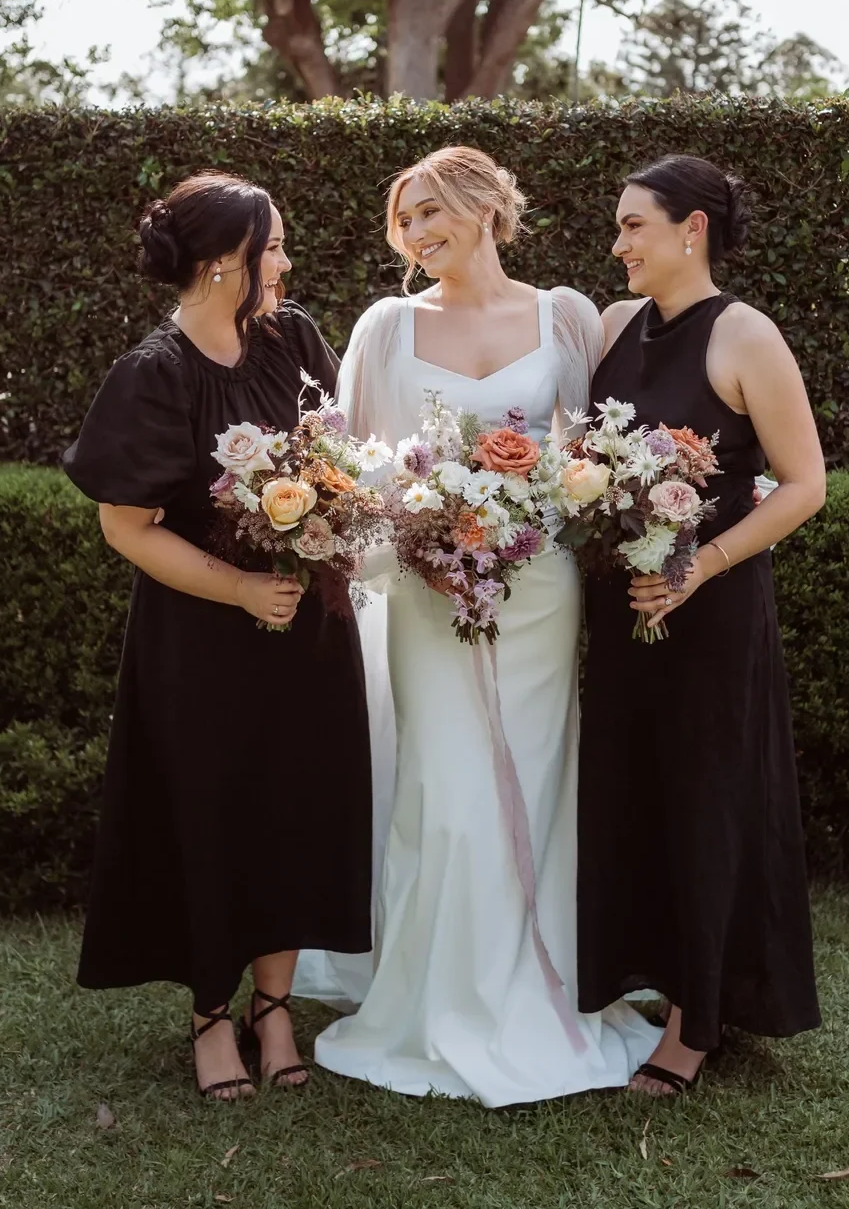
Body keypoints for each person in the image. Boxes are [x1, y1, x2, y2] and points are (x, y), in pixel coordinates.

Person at [311, 145, 662, 1107]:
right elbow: (357, 462)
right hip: (429, 586)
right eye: (405, 222)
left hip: (541, 584)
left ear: (482, 207)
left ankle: (550, 984)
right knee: (447, 781)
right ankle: (437, 997)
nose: (417, 236)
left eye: (431, 213)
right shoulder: (387, 324)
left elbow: (597, 455)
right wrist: (424, 520)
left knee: (544, 778)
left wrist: (547, 508)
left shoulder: (566, 315)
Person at [63, 172, 371, 1099]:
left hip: (308, 635)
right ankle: (209, 1013)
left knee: (296, 811)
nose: (285, 261)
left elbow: (340, 460)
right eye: (273, 246)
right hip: (200, 644)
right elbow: (127, 525)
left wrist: (339, 525)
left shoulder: (298, 339)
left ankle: (273, 1008)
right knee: (210, 815)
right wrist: (239, 586)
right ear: (223, 261)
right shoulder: (152, 374)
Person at [577, 153, 826, 1097]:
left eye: (634, 224)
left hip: (710, 609)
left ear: (694, 230)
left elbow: (806, 485)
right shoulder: (610, 326)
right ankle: (629, 979)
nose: (618, 243)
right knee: (627, 788)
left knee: (703, 795)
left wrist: (700, 567)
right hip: (619, 607)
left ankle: (696, 1019)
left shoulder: (745, 335)